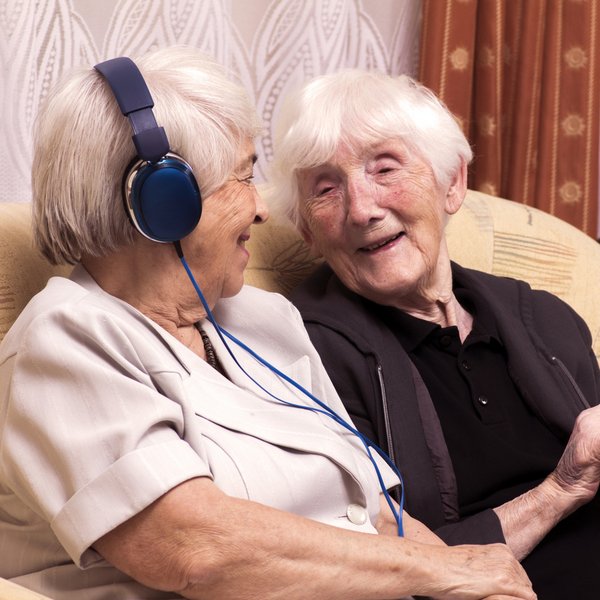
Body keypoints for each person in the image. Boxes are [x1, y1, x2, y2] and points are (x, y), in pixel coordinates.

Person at [0, 48, 535, 600]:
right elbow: (196, 549)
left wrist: (474, 579)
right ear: (162, 205)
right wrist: (440, 572)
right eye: (242, 177)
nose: (262, 209)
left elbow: (380, 516)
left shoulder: (265, 320)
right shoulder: (63, 343)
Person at [267, 69, 600, 599]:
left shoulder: (544, 316)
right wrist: (560, 491)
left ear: (452, 183)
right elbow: (377, 568)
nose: (362, 209)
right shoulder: (298, 357)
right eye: (326, 189)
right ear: (307, 229)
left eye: (385, 168)